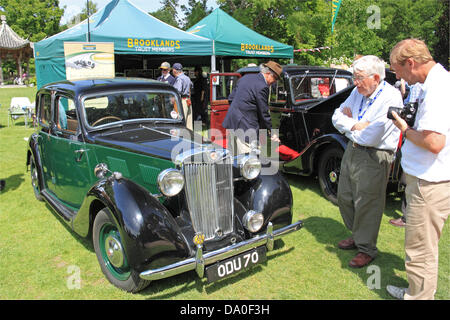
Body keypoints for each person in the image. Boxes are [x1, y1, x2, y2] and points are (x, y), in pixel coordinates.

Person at [386, 39, 450, 300]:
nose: (398, 76)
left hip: (429, 182)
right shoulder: (433, 83)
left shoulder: (438, 87)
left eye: (398, 70)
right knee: (421, 245)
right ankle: (417, 291)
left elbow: (434, 142)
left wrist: (405, 129)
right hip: (426, 180)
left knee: (421, 248)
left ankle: (419, 297)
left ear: (410, 63)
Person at [331, 55, 403, 268]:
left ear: (376, 77)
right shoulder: (357, 91)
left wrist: (349, 123)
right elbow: (336, 116)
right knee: (344, 196)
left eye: (360, 78)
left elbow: (371, 137)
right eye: (354, 77)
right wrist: (356, 125)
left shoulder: (391, 97)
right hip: (352, 150)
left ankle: (367, 248)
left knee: (368, 203)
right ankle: (358, 235)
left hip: (375, 155)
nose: (355, 82)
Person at [222, 61, 282, 155]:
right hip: (246, 128)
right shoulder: (262, 86)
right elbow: (263, 112)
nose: (274, 82)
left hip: (232, 123)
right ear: (268, 73)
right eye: (275, 78)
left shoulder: (245, 78)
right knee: (248, 162)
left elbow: (231, 98)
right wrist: (272, 131)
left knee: (233, 159)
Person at [389, 82, 423, 228]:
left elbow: (412, 112)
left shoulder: (421, 87)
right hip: (414, 138)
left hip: (416, 138)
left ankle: (408, 217)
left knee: (412, 180)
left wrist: (405, 128)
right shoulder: (418, 86)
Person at [172, 63, 193, 130]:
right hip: (188, 100)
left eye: (173, 69)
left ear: (175, 70)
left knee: (180, 121)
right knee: (189, 123)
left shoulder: (179, 79)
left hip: (182, 101)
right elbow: (191, 87)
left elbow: (177, 91)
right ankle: (190, 138)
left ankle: (181, 138)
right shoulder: (187, 78)